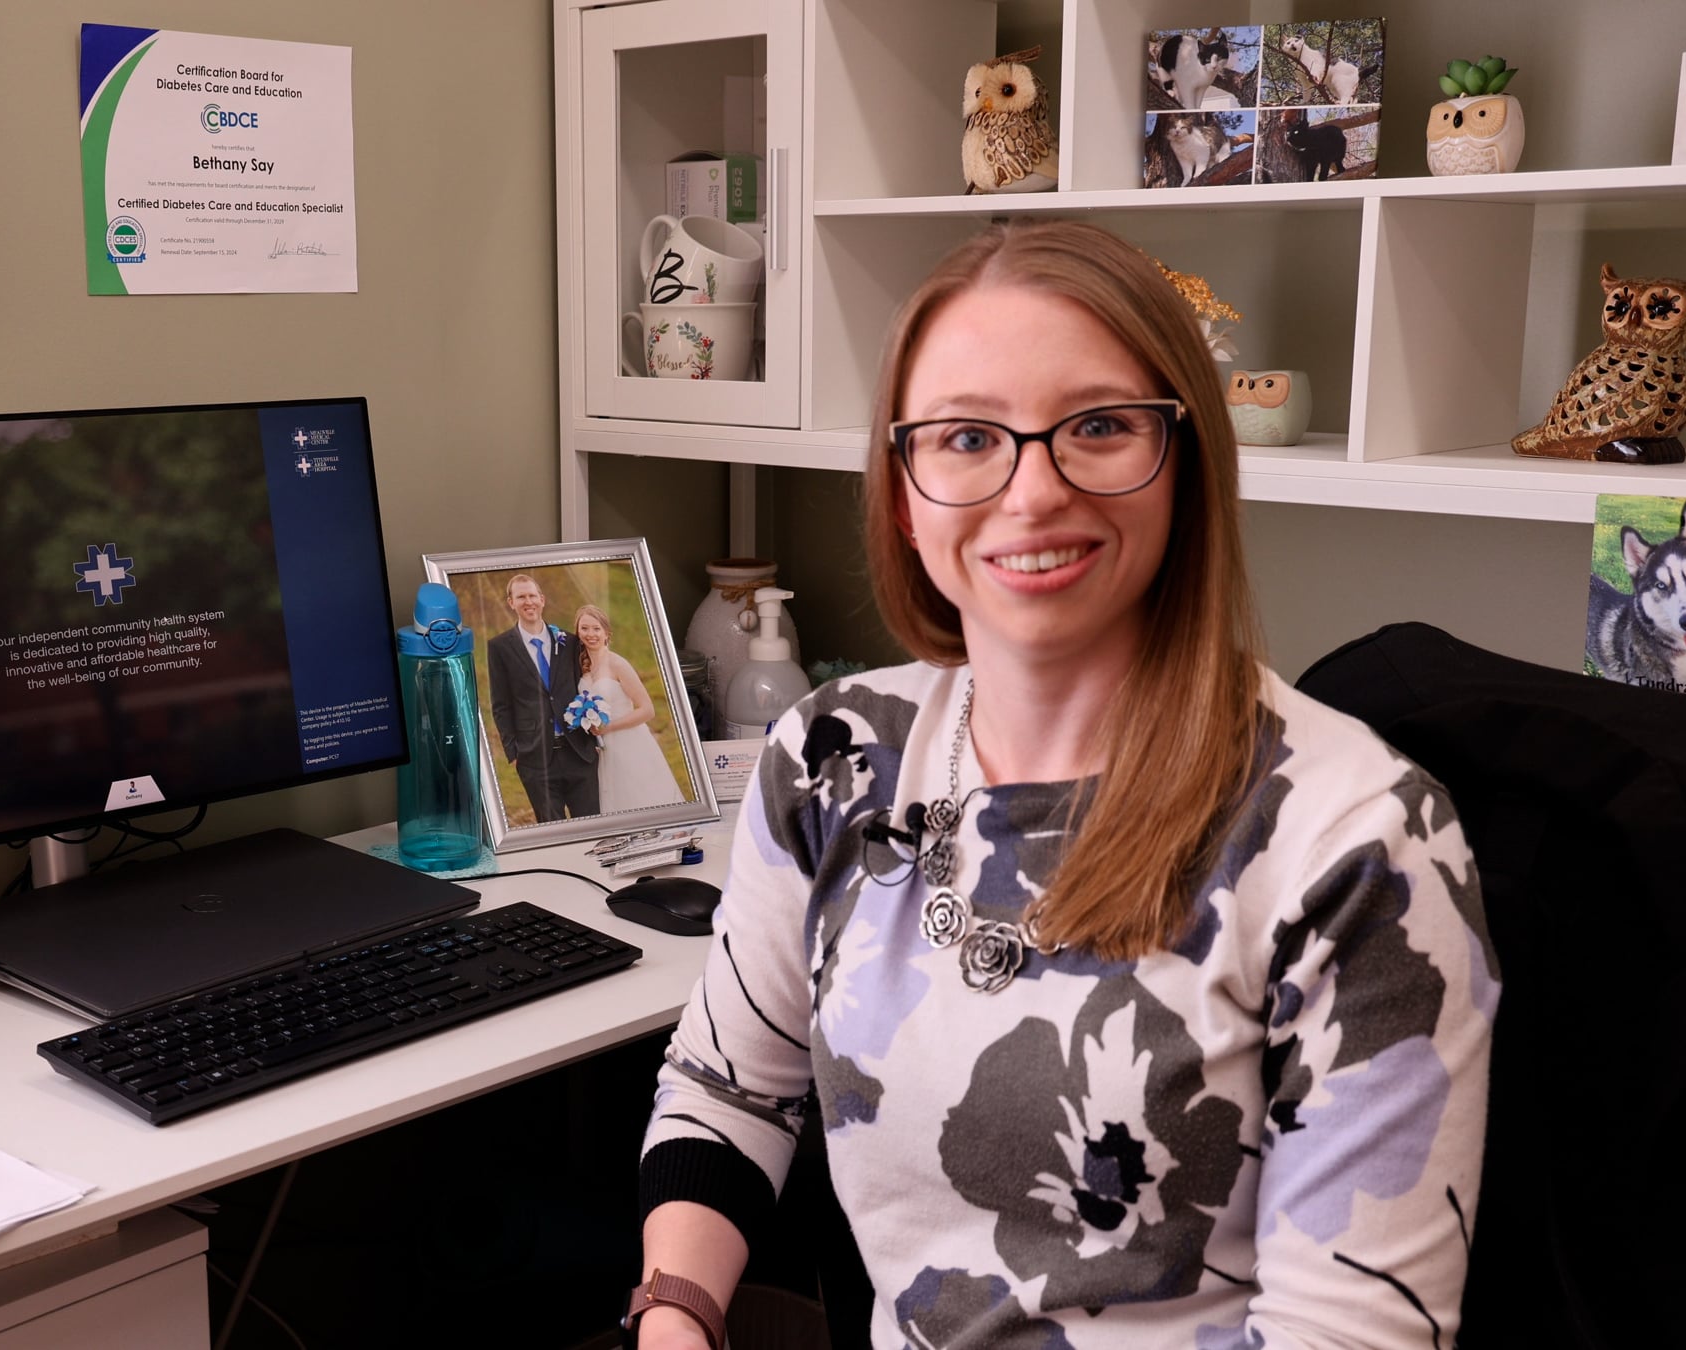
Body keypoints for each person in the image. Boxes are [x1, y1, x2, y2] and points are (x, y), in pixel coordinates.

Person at [627, 220, 1497, 1348]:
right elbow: (727, 1087)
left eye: (1097, 426)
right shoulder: (832, 757)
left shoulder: (1358, 838)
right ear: (904, 493)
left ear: (1185, 463)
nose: (1032, 491)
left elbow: (1351, 1337)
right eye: (966, 437)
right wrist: (677, 1314)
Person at [485, 572, 597, 822]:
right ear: (511, 603)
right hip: (534, 758)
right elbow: (501, 705)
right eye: (521, 597)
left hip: (578, 751)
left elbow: (585, 687)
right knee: (552, 830)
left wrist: (594, 738)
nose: (528, 602)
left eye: (532, 595)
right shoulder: (500, 647)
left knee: (591, 825)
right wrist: (514, 753)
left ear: (542, 600)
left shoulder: (569, 642)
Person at [570, 604, 685, 813]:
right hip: (602, 749)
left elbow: (647, 710)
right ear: (577, 632)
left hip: (629, 741)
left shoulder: (618, 664)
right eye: (584, 628)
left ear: (606, 633)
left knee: (639, 796)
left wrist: (609, 727)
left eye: (596, 628)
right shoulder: (582, 667)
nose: (590, 634)